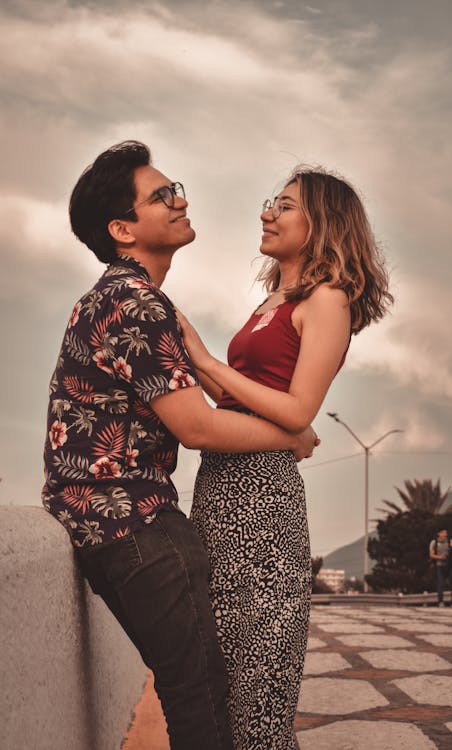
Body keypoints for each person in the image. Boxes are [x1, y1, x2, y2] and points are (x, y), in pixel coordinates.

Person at [41, 141, 318, 750]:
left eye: (177, 188)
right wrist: (292, 433)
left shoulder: (113, 297)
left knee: (191, 688)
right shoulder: (137, 303)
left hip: (104, 520)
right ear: (123, 229)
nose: (180, 200)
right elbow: (197, 428)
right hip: (136, 521)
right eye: (161, 196)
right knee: (202, 696)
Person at [178, 166, 393, 750]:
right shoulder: (275, 298)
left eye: (286, 205)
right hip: (221, 491)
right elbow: (242, 400)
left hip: (263, 506)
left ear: (322, 223)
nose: (268, 212)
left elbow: (298, 411)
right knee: (223, 694)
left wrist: (205, 359)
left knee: (259, 705)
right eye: (271, 201)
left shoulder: (329, 299)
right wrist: (187, 351)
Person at [429, 529, 452, 607]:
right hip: (439, 565)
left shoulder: (449, 542)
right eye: (443, 533)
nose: (445, 534)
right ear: (439, 533)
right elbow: (431, 555)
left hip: (449, 565)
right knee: (441, 583)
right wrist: (440, 557)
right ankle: (440, 601)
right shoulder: (434, 542)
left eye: (446, 533)